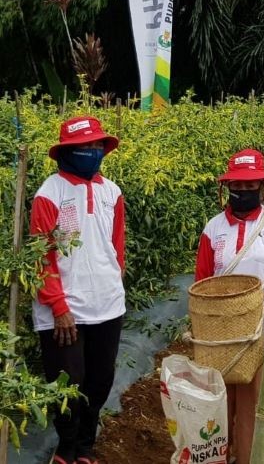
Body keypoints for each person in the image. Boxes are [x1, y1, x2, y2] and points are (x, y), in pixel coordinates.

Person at [30, 116, 125, 464]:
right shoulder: (49, 194)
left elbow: (117, 247)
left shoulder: (111, 192)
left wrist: (114, 282)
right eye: (82, 147)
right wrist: (58, 305)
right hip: (65, 310)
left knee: (100, 382)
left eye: (95, 146)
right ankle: (66, 448)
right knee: (67, 384)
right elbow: (41, 256)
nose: (90, 152)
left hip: (108, 304)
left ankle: (85, 447)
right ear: (66, 152)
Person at [195, 149, 264, 464]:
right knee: (219, 402)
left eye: (251, 187)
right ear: (228, 186)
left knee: (252, 402)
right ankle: (219, 456)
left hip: (261, 327)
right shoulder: (213, 228)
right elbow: (202, 280)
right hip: (220, 330)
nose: (244, 192)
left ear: (263, 188)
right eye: (239, 186)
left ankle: (248, 458)